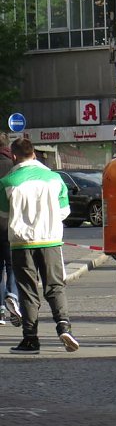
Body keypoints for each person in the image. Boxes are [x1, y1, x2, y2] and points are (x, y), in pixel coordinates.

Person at [0, 138, 76, 353]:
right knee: (55, 286)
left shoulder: (7, 182)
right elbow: (64, 211)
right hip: (50, 240)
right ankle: (64, 325)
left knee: (27, 291)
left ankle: (31, 339)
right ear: (33, 153)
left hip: (21, 244)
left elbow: (4, 214)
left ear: (14, 156)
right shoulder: (55, 179)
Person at [0, 133, 21, 327]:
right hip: (9, 224)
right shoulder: (14, 168)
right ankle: (13, 296)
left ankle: (0, 311)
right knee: (12, 265)